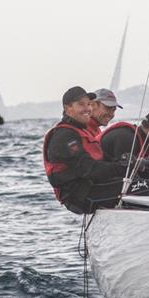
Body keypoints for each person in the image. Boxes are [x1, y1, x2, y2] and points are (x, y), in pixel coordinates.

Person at [43, 86, 128, 214]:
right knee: (142, 188)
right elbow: (88, 168)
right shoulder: (65, 136)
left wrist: (127, 163)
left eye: (88, 104)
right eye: (81, 104)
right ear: (68, 109)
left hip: (90, 190)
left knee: (140, 184)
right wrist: (121, 167)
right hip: (80, 197)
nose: (87, 108)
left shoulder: (80, 131)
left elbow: (99, 163)